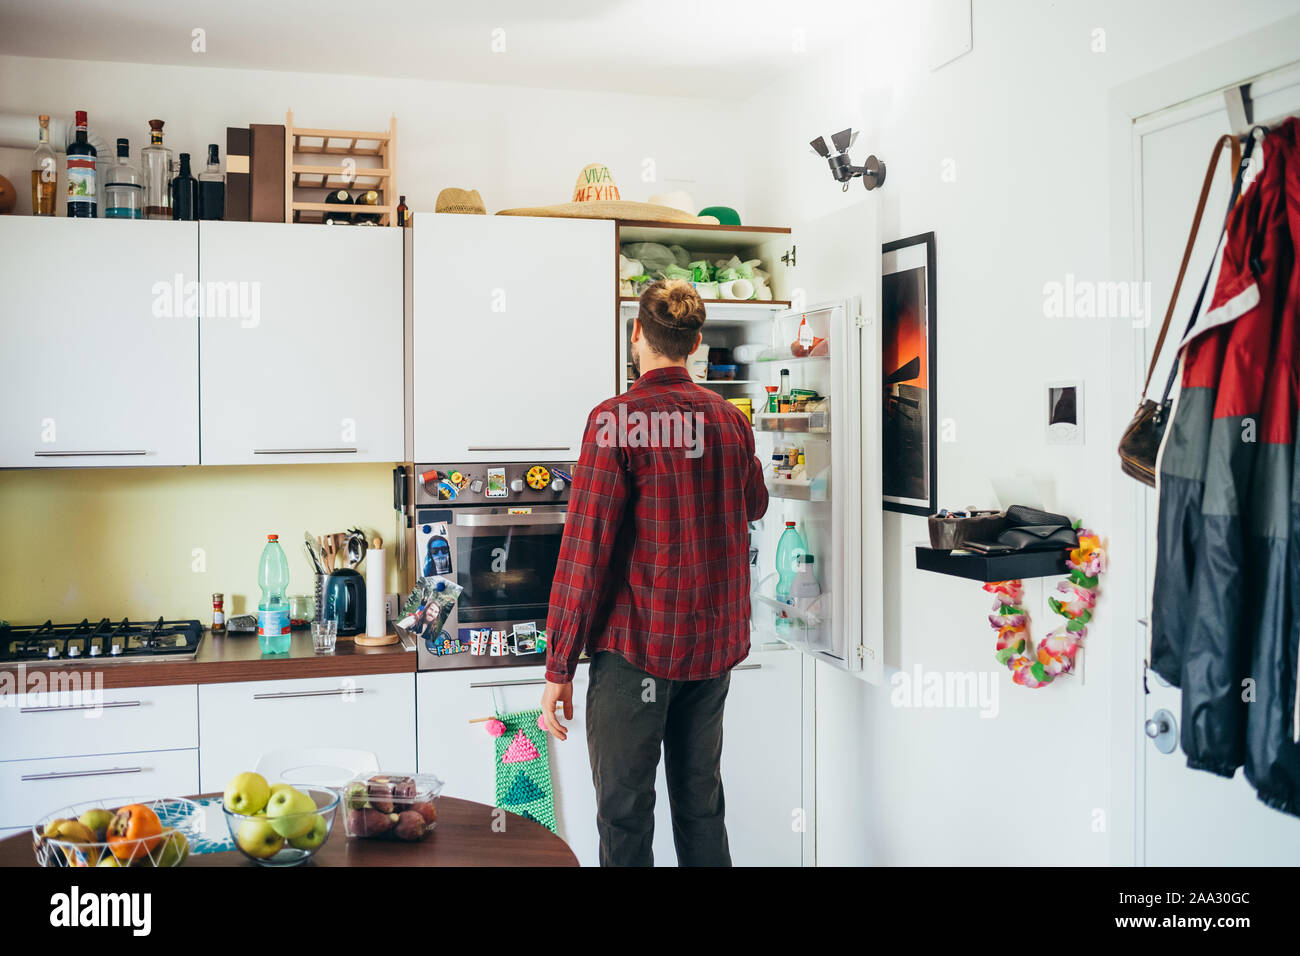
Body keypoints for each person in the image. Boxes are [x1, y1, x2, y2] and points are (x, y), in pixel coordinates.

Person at [541, 279, 768, 866]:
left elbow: (584, 551)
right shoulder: (730, 421)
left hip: (635, 651)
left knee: (624, 815)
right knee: (701, 807)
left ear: (637, 334)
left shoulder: (615, 421)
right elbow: (756, 503)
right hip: (711, 650)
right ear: (695, 343)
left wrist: (559, 665)